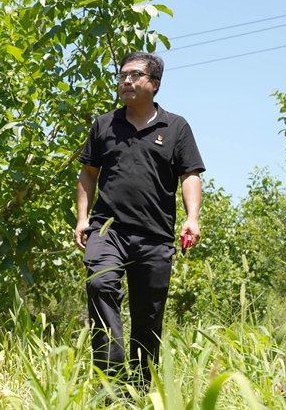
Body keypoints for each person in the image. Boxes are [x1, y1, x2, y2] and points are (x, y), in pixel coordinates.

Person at [74, 51, 204, 386]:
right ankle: (111, 380)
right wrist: (82, 218)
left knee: (148, 317)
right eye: (122, 76)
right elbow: (88, 173)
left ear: (155, 83)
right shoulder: (104, 124)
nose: (126, 81)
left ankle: (142, 388)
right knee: (100, 284)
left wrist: (192, 218)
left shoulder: (175, 127)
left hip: (155, 236)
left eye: (135, 75)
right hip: (108, 230)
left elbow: (189, 175)